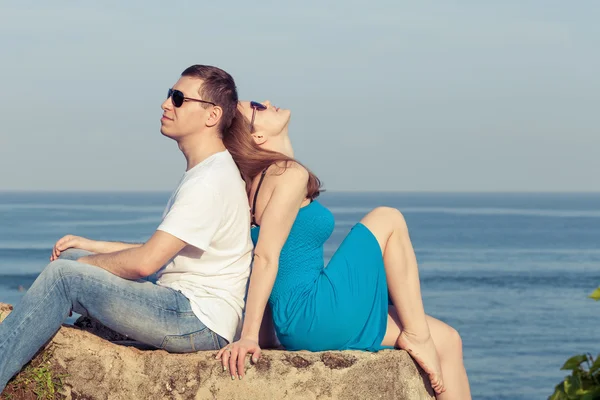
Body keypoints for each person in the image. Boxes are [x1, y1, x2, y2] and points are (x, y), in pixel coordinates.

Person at [0, 65, 254, 392]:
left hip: (197, 321)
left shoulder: (209, 181)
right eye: (168, 95)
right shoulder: (208, 170)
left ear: (211, 115)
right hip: (186, 303)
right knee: (76, 255)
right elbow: (162, 253)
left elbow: (144, 264)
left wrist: (79, 267)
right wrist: (92, 246)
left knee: (63, 276)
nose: (166, 104)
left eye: (178, 99)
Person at [216, 100, 472, 400]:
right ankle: (417, 336)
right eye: (258, 107)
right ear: (257, 137)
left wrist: (267, 334)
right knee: (387, 218)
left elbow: (275, 261)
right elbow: (266, 257)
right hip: (313, 313)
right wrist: (250, 335)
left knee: (448, 340)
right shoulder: (288, 173)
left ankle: (421, 336)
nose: (269, 103)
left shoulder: (256, 184)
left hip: (300, 321)